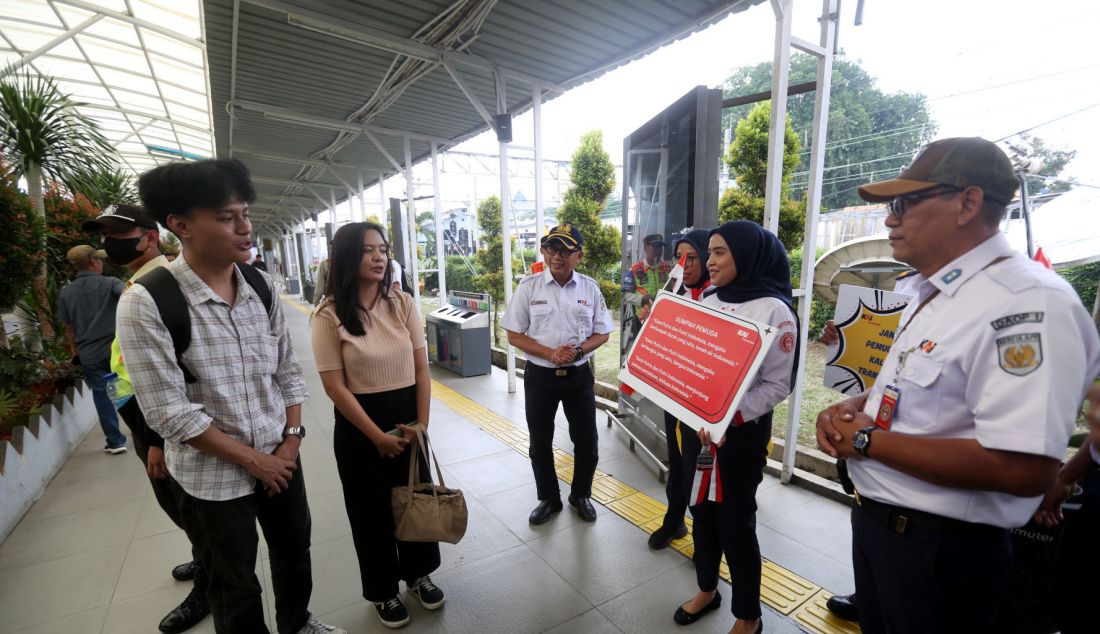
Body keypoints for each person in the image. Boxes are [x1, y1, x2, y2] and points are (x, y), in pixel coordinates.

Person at [814, 137, 1100, 634]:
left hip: (938, 553)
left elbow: (1021, 468)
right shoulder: (933, 292)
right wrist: (853, 408)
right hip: (884, 530)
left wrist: (864, 440)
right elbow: (909, 389)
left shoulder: (1027, 303)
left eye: (904, 204)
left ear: (967, 203)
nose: (889, 220)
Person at [117, 158, 344, 634]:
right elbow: (168, 413)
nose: (245, 228)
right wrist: (253, 460)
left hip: (281, 456)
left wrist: (291, 441)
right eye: (226, 217)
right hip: (211, 476)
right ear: (180, 226)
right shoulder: (147, 301)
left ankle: (296, 623)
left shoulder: (260, 284)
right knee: (232, 581)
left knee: (293, 552)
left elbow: (287, 372)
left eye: (245, 213)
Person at [83, 203, 210, 633]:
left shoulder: (162, 287)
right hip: (142, 418)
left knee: (187, 504)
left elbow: (170, 369)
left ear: (151, 236)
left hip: (161, 426)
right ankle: (202, 557)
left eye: (119, 234)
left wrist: (156, 439)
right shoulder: (138, 283)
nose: (109, 244)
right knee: (175, 503)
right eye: (105, 235)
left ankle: (210, 583)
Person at [310, 222, 444, 629]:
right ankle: (384, 591)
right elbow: (334, 386)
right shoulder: (327, 314)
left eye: (383, 249)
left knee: (415, 497)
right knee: (370, 512)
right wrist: (375, 436)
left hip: (407, 417)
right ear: (346, 257)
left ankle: (419, 574)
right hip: (360, 427)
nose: (380, 257)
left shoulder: (402, 303)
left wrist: (420, 424)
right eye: (369, 250)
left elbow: (422, 368)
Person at [673, 221, 797, 634]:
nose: (709, 261)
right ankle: (707, 589)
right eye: (709, 252)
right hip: (699, 431)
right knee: (701, 513)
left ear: (746, 256)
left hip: (739, 437)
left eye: (719, 252)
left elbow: (779, 384)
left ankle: (749, 616)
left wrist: (730, 417)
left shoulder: (775, 311)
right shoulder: (707, 297)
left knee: (735, 523)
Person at [502, 224, 614, 525]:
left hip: (578, 376)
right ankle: (548, 498)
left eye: (566, 250)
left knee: (587, 440)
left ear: (579, 255)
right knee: (540, 441)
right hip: (541, 376)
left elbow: (602, 332)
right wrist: (551, 354)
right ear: (543, 251)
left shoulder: (590, 288)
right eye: (552, 248)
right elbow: (514, 334)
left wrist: (577, 352)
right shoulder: (529, 288)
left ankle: (581, 495)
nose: (558, 256)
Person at [648, 228, 712, 550]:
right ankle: (674, 522)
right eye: (679, 257)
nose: (683, 264)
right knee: (676, 461)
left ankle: (705, 544)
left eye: (692, 257)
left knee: (698, 471)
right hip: (674, 397)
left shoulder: (720, 300)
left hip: (704, 406)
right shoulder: (676, 296)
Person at [57, 244, 128, 454]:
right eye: (100, 259)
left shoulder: (66, 293)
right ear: (93, 262)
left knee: (102, 393)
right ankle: (140, 430)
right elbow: (129, 296)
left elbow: (69, 328)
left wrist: (74, 351)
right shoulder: (111, 283)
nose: (102, 263)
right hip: (117, 349)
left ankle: (115, 442)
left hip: (89, 353)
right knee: (125, 389)